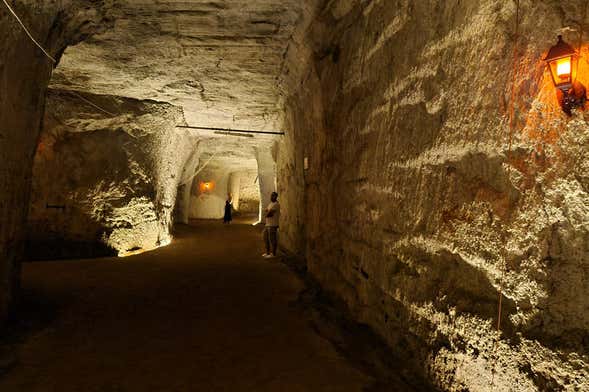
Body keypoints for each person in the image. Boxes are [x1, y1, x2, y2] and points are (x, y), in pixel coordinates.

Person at [262, 192, 280, 258]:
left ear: (276, 197)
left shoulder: (276, 204)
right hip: (268, 224)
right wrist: (268, 212)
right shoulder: (271, 204)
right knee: (265, 237)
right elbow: (267, 211)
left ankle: (273, 254)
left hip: (273, 224)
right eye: (271, 196)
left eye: (273, 196)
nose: (272, 197)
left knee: (272, 239)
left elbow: (269, 214)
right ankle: (268, 252)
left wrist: (267, 213)